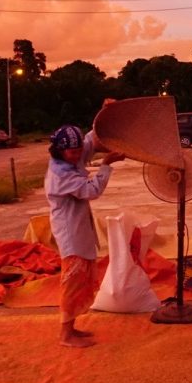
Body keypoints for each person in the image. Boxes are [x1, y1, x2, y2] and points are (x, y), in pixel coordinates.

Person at [45, 124, 124, 348]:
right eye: (73, 152)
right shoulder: (61, 174)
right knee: (72, 283)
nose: (78, 154)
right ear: (60, 151)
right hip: (70, 233)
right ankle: (65, 334)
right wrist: (106, 165)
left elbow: (91, 141)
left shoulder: (70, 160)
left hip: (78, 228)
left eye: (78, 150)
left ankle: (71, 328)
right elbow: (92, 191)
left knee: (80, 281)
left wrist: (104, 115)